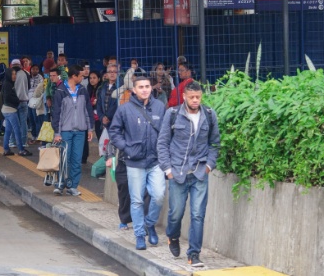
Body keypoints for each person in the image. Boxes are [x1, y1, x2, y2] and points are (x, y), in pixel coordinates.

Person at [157, 81, 220, 267]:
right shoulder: (173, 114)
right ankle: (173, 236)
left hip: (200, 173)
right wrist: (168, 170)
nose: (195, 100)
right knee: (176, 213)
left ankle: (194, 254)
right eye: (191, 97)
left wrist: (209, 165)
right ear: (184, 96)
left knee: (198, 215)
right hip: (177, 172)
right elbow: (162, 143)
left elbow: (215, 143)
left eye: (198, 97)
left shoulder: (209, 115)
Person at [108, 76, 166, 250]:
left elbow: (165, 133)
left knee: (158, 196)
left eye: (147, 86)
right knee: (137, 200)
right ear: (134, 89)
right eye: (141, 87)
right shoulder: (125, 109)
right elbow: (114, 132)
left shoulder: (160, 107)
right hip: (134, 162)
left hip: (155, 161)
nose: (145, 89)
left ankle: (150, 223)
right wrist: (127, 148)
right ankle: (140, 235)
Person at [52, 65, 95, 196]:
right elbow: (56, 113)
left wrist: (90, 128)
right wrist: (57, 133)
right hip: (65, 130)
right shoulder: (60, 91)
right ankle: (60, 184)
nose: (83, 77)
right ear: (74, 76)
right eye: (81, 75)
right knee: (64, 159)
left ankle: (72, 186)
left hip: (80, 130)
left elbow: (88, 110)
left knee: (76, 159)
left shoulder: (82, 90)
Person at [2, 67, 33, 157]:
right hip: (10, 110)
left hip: (6, 109)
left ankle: (6, 149)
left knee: (8, 130)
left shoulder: (8, 83)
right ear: (9, 75)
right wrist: (17, 100)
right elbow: (8, 97)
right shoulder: (8, 85)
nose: (15, 76)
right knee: (17, 129)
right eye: (13, 74)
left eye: (15, 74)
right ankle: (21, 149)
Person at [10, 59, 29, 148]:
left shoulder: (11, 74)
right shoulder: (25, 74)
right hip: (24, 101)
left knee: (14, 123)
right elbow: (28, 86)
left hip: (14, 102)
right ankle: (24, 142)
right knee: (23, 122)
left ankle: (13, 142)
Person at [27, 64, 44, 143]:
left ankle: (38, 136)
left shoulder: (40, 78)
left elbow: (40, 89)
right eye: (33, 69)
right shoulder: (28, 77)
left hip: (35, 102)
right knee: (31, 119)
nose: (35, 71)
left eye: (36, 69)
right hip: (28, 101)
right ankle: (33, 136)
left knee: (36, 119)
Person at [87, 71, 102, 139]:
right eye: (90, 78)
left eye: (94, 78)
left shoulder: (101, 89)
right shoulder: (89, 89)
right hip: (94, 118)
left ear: (99, 79)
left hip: (101, 117)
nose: (92, 80)